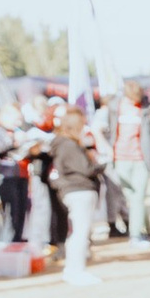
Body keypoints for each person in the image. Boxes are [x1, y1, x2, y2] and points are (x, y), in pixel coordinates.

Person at [49, 100, 102, 276]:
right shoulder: (68, 145)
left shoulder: (65, 144)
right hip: (78, 190)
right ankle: (75, 270)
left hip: (75, 190)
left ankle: (74, 269)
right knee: (80, 232)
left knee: (78, 232)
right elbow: (86, 169)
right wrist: (100, 165)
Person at [111, 82, 150, 247]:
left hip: (140, 159)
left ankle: (136, 235)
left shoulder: (147, 108)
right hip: (120, 159)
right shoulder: (115, 107)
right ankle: (148, 231)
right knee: (134, 199)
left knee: (138, 197)